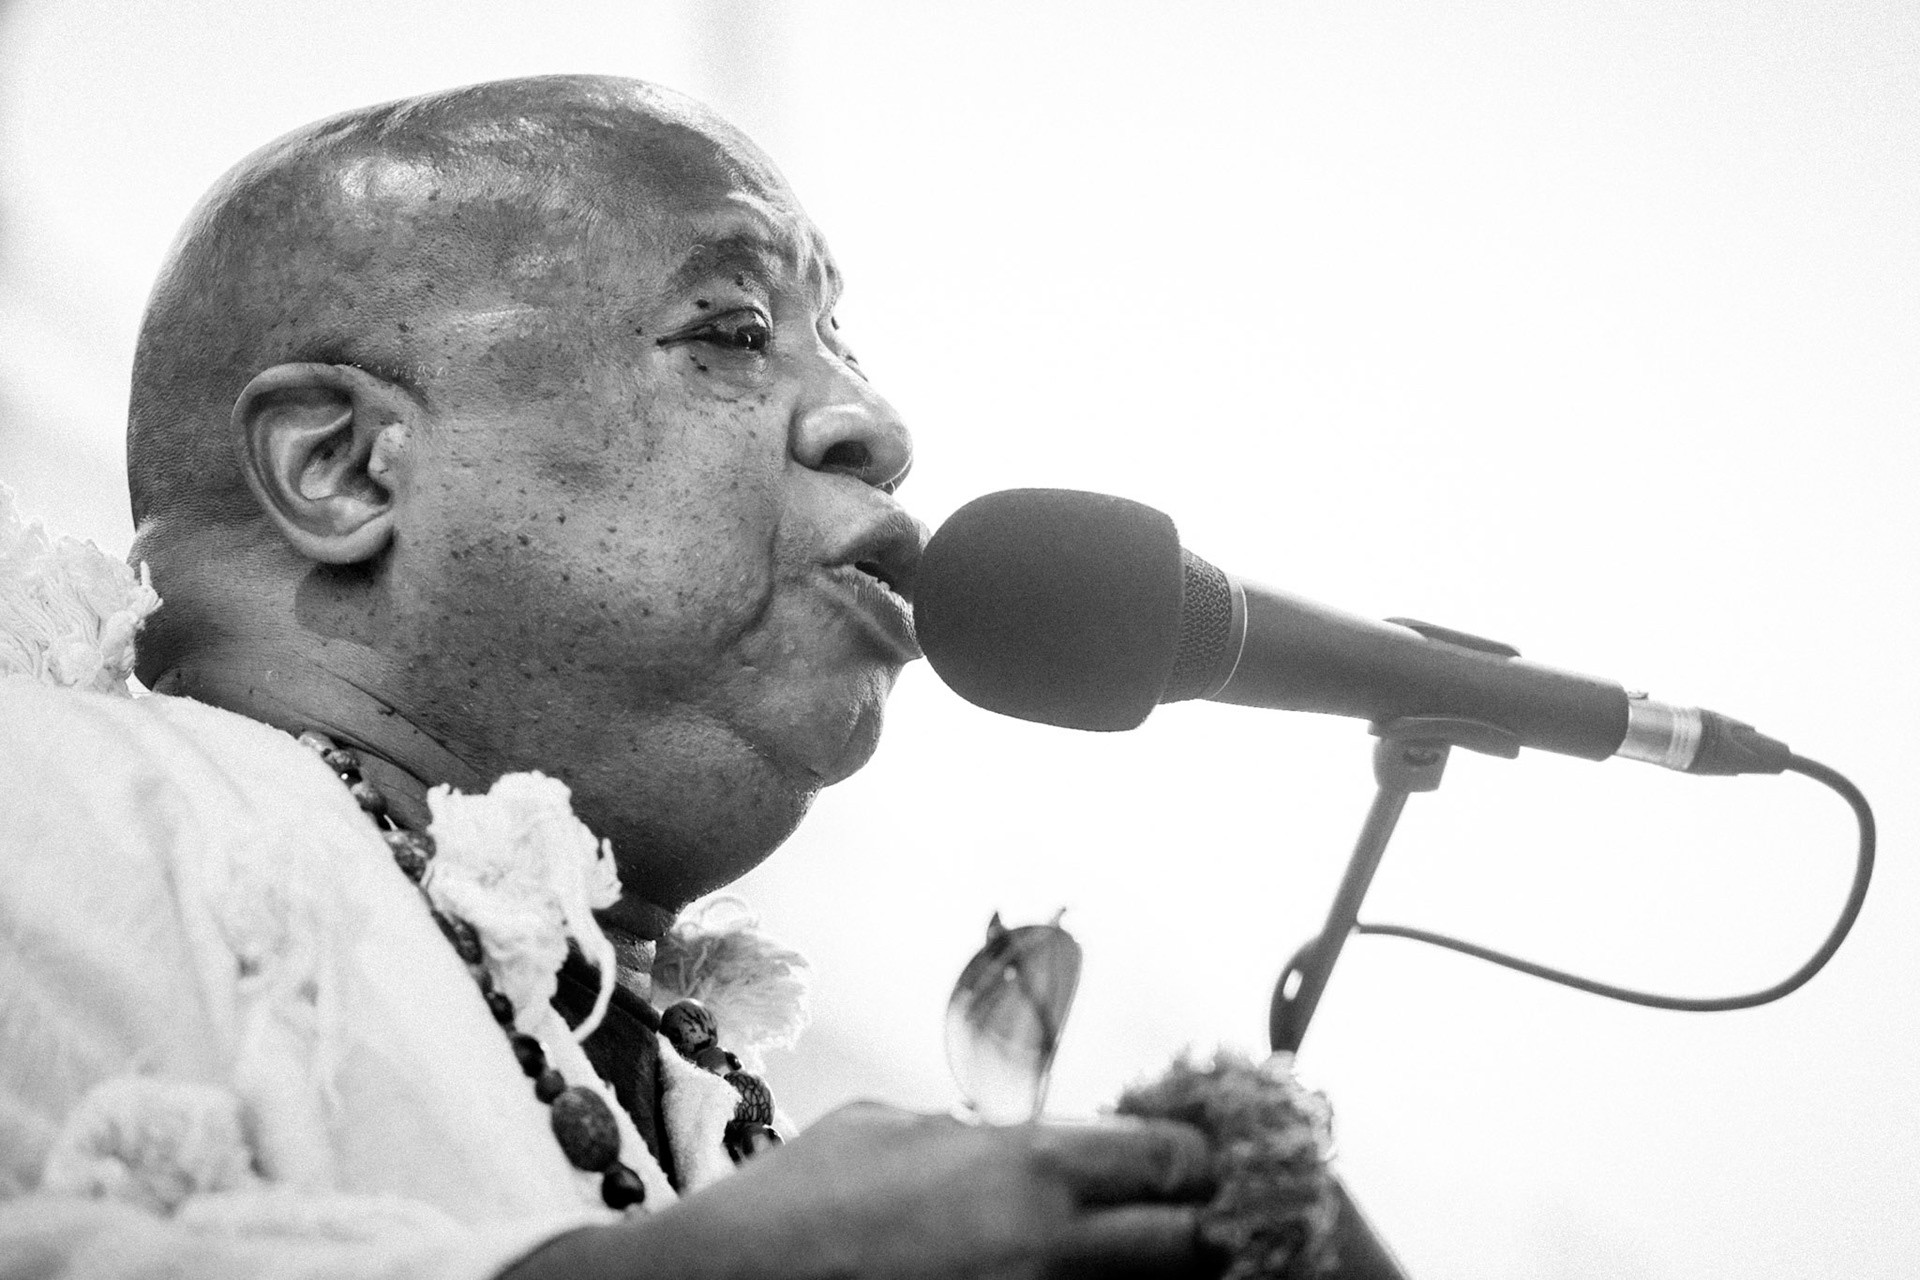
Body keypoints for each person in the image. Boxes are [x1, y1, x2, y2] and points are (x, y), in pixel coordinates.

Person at [0, 75, 1222, 1279]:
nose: (878, 426)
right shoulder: (44, 795)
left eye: (840, 346)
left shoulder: (670, 1063)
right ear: (345, 466)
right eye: (734, 333)